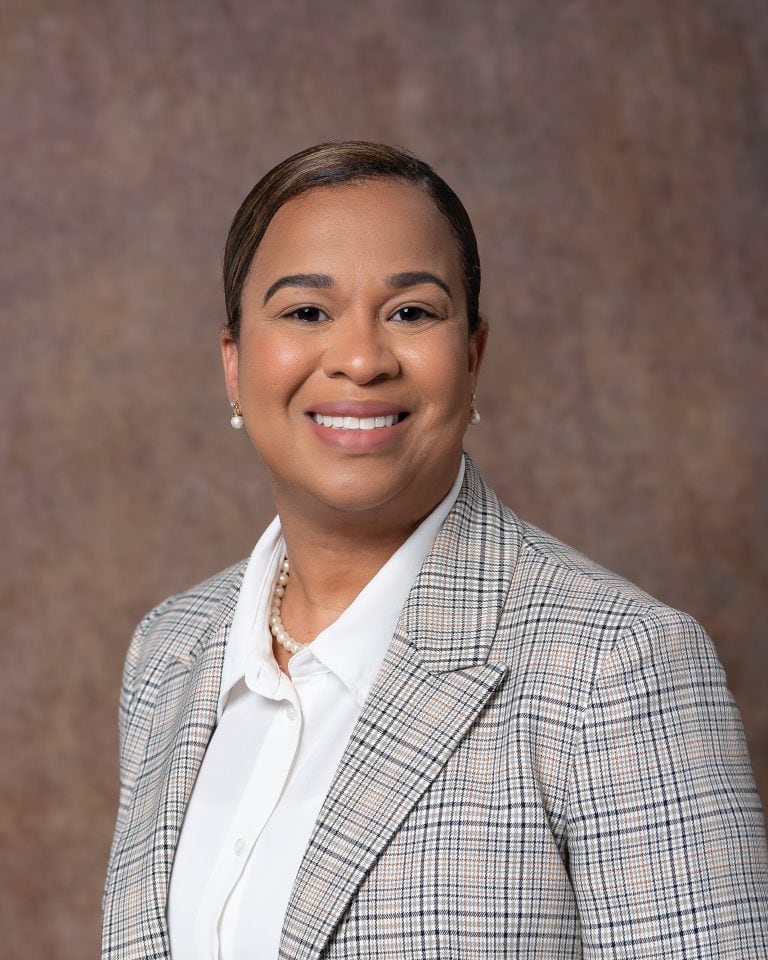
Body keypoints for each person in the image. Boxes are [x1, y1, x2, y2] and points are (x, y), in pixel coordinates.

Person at [103, 141, 768, 960]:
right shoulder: (170, 653)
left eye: (411, 312)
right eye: (306, 312)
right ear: (234, 364)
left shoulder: (617, 666)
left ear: (473, 357)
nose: (359, 359)